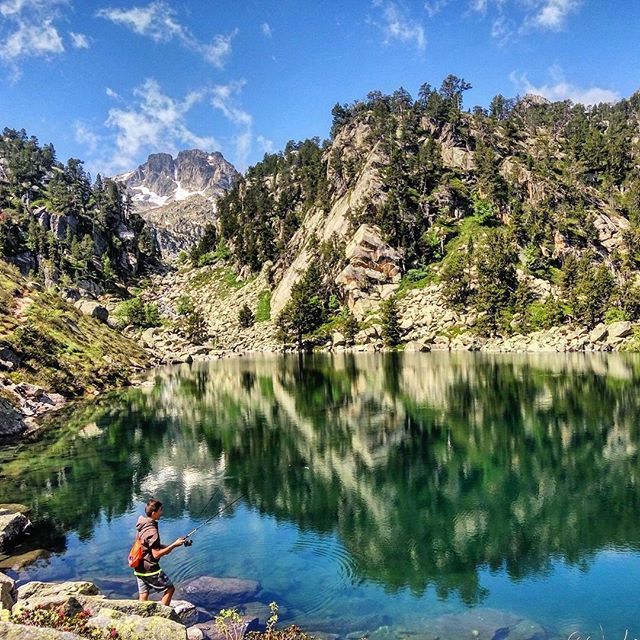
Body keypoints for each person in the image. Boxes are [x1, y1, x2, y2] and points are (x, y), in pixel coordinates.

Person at [133, 498, 186, 605]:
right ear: (154, 513)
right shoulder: (152, 531)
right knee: (170, 588)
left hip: (138, 566)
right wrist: (173, 545)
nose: (161, 513)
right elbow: (156, 555)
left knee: (143, 594)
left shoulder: (142, 524)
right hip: (150, 568)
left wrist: (166, 546)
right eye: (160, 510)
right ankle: (163, 615)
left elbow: (146, 544)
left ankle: (141, 617)